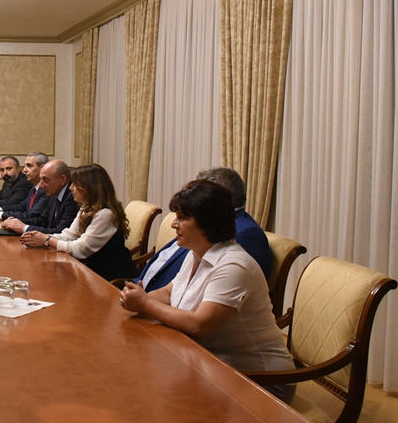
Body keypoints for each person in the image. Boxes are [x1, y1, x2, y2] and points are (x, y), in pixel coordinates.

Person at [120, 179, 295, 403]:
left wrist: (144, 304)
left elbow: (200, 325)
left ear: (207, 222)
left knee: (155, 396)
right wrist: (133, 298)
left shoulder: (234, 265)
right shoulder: (196, 253)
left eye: (183, 218)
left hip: (261, 380)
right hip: (212, 361)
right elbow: (169, 292)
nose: (174, 224)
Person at [135, 166, 272, 292]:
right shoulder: (196, 236)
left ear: (215, 198)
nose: (174, 223)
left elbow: (216, 295)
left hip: (169, 311)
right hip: (146, 297)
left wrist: (145, 303)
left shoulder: (246, 234)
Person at [21, 164, 135, 281]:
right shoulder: (86, 208)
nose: (70, 188)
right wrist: (39, 238)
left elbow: (79, 250)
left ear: (88, 188)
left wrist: (47, 240)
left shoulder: (106, 214)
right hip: (91, 271)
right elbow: (69, 235)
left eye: (75, 184)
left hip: (111, 278)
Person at [196, 166, 272, 281]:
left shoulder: (246, 234)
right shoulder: (205, 222)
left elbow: (237, 281)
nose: (193, 200)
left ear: (218, 198)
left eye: (198, 195)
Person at [0, 159, 78, 236]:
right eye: (41, 179)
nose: (41, 186)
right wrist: (14, 222)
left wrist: (24, 228)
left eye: (45, 180)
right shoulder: (54, 192)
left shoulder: (72, 197)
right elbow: (42, 220)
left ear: (62, 179)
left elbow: (60, 232)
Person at [0, 152, 49, 219]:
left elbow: (32, 215)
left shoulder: (47, 190)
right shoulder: (34, 188)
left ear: (42, 168)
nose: (24, 170)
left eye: (29, 166)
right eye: (2, 170)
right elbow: (20, 207)